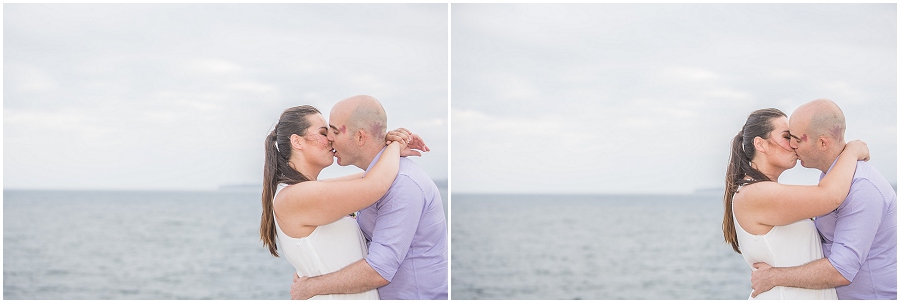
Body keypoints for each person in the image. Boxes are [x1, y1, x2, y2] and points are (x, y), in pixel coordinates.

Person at [259, 105, 427, 300]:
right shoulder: (296, 196)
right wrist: (395, 145)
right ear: (297, 141)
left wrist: (384, 145)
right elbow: (375, 184)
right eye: (323, 132)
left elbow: (370, 176)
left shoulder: (306, 191)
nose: (331, 139)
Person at [290, 95, 449, 300]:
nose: (329, 139)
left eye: (335, 131)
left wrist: (311, 286)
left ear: (360, 137)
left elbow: (379, 271)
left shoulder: (402, 184)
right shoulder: (375, 179)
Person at [750, 99, 897, 300]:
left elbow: (841, 270)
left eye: (797, 140)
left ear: (822, 143)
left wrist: (772, 277)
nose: (792, 146)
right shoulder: (833, 179)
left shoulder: (862, 188)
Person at [723, 107, 870, 299]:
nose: (794, 144)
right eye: (786, 136)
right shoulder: (754, 194)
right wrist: (851, 151)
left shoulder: (763, 191)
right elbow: (830, 196)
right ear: (760, 144)